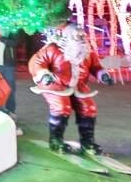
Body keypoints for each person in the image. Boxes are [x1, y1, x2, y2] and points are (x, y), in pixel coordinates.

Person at [29, 23, 114, 154]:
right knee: (62, 107)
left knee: (89, 108)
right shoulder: (53, 49)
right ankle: (56, 140)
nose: (81, 38)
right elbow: (38, 61)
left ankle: (87, 142)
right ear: (68, 36)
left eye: (82, 35)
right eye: (77, 35)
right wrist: (44, 74)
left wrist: (103, 75)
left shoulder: (86, 52)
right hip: (56, 84)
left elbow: (96, 66)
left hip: (78, 85)